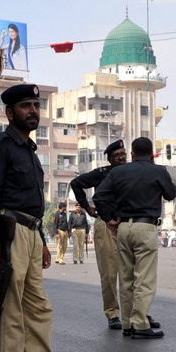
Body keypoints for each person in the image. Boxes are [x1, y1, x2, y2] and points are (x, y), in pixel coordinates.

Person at [0, 83, 77, 352]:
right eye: (25, 106)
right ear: (9, 113)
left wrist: (43, 241)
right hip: (8, 233)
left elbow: (33, 204)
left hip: (31, 234)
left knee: (38, 307)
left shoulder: (30, 152)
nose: (33, 110)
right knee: (9, 308)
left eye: (36, 105)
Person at [95, 137, 176, 339]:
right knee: (144, 278)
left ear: (131, 154)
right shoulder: (158, 171)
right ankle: (140, 323)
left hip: (123, 227)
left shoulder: (117, 172)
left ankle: (127, 323)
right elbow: (170, 194)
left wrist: (108, 219)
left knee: (126, 277)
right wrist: (156, 169)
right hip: (145, 226)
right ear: (151, 155)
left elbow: (99, 196)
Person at [69, 140, 127, 330]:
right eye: (116, 155)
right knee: (110, 273)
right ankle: (112, 313)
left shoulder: (132, 171)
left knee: (133, 273)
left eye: (123, 154)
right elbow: (76, 183)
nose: (121, 157)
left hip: (128, 225)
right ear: (109, 159)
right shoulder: (102, 174)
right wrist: (87, 208)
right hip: (107, 225)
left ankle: (137, 312)